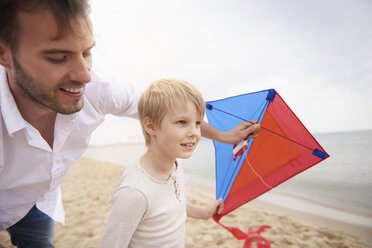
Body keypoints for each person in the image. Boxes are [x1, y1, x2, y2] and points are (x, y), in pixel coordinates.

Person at [0, 0, 260, 247]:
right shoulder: (134, 191)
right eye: (58, 56)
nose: (85, 76)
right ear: (5, 54)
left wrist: (224, 137)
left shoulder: (103, 86)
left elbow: (165, 112)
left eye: (87, 52)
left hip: (41, 200)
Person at [100, 79, 224, 248]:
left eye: (197, 123)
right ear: (151, 126)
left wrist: (203, 213)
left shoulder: (177, 163)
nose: (194, 133)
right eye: (182, 122)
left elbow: (172, 206)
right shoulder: (134, 193)